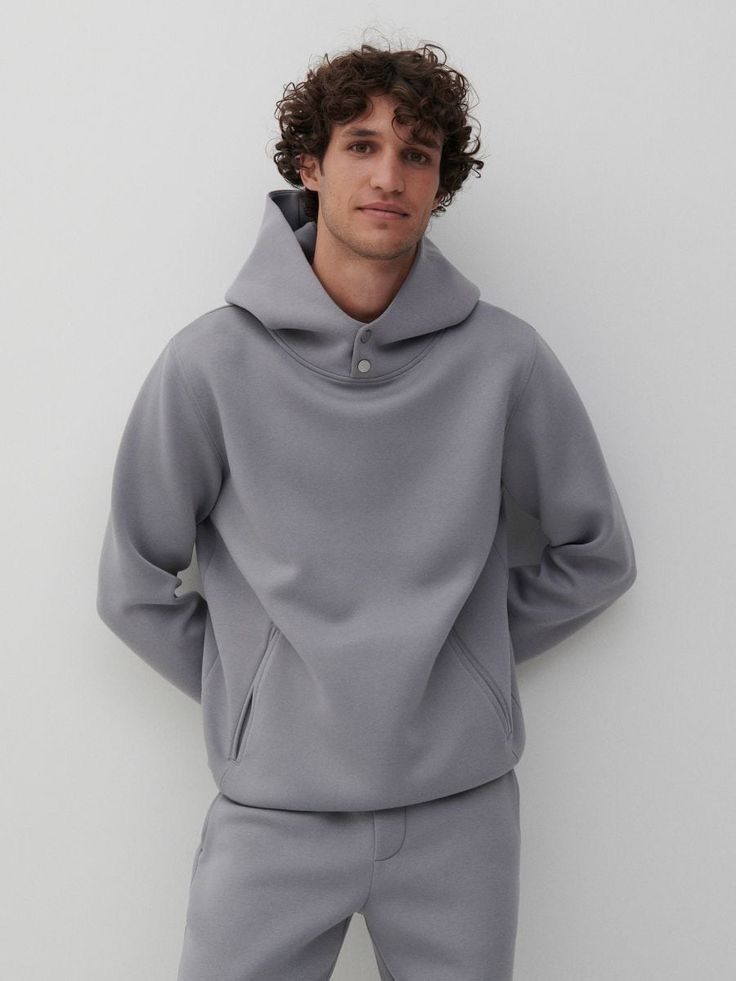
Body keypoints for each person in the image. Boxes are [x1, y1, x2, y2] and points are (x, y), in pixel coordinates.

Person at [96, 39, 637, 981]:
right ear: (310, 164)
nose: (390, 176)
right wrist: (258, 694)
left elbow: (598, 554)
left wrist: (461, 658)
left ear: (439, 181)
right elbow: (131, 583)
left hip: (459, 818)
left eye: (417, 153)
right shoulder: (210, 364)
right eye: (362, 145)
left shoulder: (504, 360)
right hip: (273, 819)